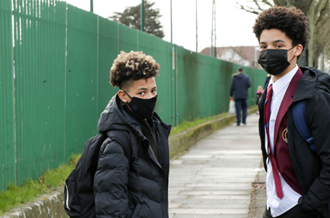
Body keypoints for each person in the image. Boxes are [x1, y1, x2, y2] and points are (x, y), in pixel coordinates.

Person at [254, 6, 330, 218]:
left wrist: (307, 206)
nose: (269, 52)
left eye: (278, 45)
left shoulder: (315, 98)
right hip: (273, 207)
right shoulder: (267, 91)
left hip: (301, 208)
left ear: (297, 49)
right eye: (263, 46)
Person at [93, 51, 171, 218]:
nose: (150, 97)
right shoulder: (116, 143)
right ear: (123, 96)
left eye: (153, 90)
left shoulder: (155, 128)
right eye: (141, 93)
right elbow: (110, 206)